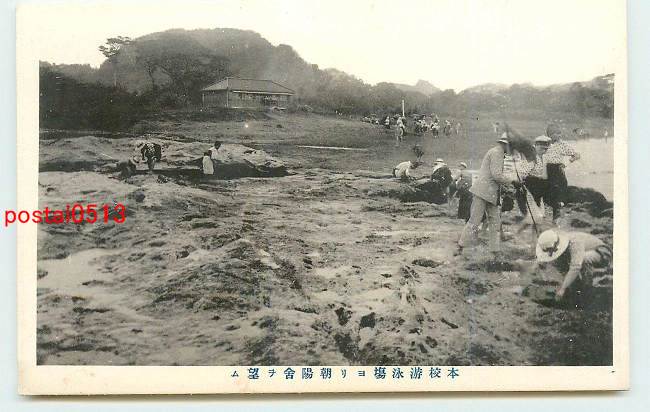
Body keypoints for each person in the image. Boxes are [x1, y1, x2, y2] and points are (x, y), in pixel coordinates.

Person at [457, 136, 518, 257]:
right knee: (475, 220)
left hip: (490, 193)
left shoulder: (496, 152)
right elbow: (497, 175)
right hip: (483, 192)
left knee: (495, 222)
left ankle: (495, 250)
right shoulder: (497, 153)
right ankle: (461, 246)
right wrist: (513, 181)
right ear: (506, 145)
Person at [535, 229, 612, 300]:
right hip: (583, 255)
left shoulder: (574, 241)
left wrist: (563, 288)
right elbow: (563, 270)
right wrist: (562, 285)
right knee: (566, 266)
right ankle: (576, 290)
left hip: (602, 253)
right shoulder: (558, 249)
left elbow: (576, 266)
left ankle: (587, 289)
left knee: (583, 259)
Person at [545, 124, 581, 222]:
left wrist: (566, 163)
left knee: (559, 192)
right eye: (557, 133)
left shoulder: (562, 144)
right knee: (546, 192)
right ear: (549, 135)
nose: (559, 135)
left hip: (557, 170)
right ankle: (546, 213)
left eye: (560, 133)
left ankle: (556, 217)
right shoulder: (544, 143)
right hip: (545, 169)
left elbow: (577, 155)